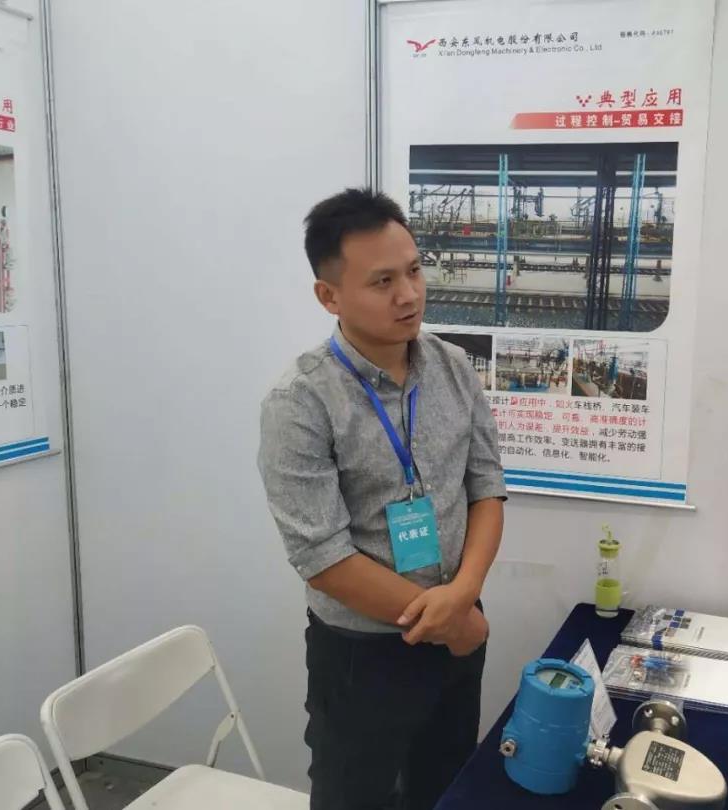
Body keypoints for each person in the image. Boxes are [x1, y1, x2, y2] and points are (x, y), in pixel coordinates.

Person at [257, 188, 507, 810]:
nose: (409, 294)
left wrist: (464, 596)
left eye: (415, 271)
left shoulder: (454, 367)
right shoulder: (301, 401)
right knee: (355, 797)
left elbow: (486, 487)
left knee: (445, 787)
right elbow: (322, 557)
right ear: (329, 295)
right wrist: (453, 622)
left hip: (460, 625)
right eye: (383, 281)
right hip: (362, 654)